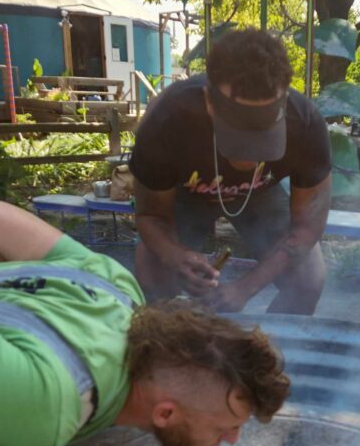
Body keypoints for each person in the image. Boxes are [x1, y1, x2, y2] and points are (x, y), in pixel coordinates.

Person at [0, 200, 290, 446]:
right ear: (165, 414)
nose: (234, 440)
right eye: (225, 427)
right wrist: (0, 393)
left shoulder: (115, 289)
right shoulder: (42, 405)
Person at [129, 28, 332, 315]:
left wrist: (245, 287)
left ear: (283, 103)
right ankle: (171, 348)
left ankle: (271, 350)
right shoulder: (167, 118)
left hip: (261, 192)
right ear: (209, 103)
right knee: (152, 272)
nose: (249, 160)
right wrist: (176, 257)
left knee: (308, 278)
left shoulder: (306, 124)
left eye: (263, 140)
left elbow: (307, 229)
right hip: (185, 193)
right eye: (237, 140)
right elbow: (150, 215)